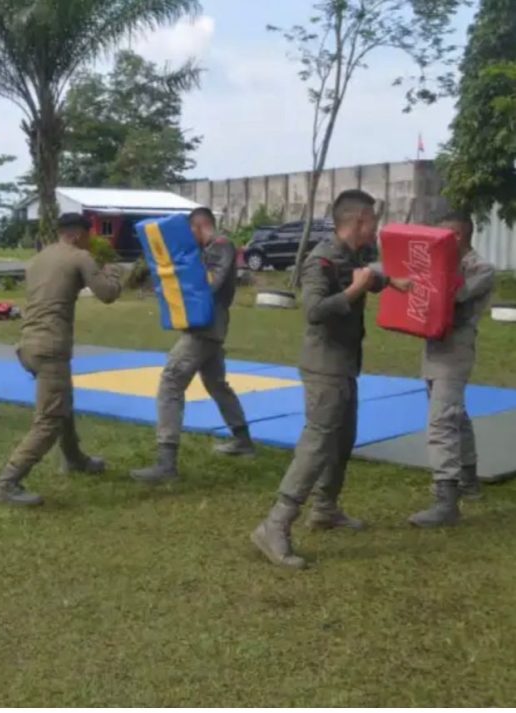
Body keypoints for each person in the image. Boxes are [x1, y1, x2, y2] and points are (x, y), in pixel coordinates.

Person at [251, 189, 410, 569]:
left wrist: (390, 283)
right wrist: (355, 290)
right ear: (358, 222)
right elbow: (315, 310)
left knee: (342, 440)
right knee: (318, 444)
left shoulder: (351, 255)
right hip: (324, 366)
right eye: (372, 220)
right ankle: (274, 525)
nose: (376, 227)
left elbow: (366, 275)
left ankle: (324, 508)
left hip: (344, 363)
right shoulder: (320, 259)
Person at [0, 213, 123, 507]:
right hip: (51, 347)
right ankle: (6, 483)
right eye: (88, 235)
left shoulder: (38, 259)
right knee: (49, 420)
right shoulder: (80, 256)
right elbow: (107, 294)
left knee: (63, 402)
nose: (90, 241)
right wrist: (113, 273)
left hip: (27, 345)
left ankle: (74, 458)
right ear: (77, 235)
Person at [130, 207, 254, 484]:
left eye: (190, 233)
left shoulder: (220, 245)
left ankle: (166, 462)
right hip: (209, 326)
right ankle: (242, 440)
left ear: (199, 227)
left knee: (171, 381)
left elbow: (209, 285)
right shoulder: (213, 248)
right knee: (216, 384)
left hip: (205, 329)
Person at [408, 212, 496, 527]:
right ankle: (469, 479)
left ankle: (446, 500)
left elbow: (452, 296)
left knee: (441, 422)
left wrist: (425, 278)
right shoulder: (441, 265)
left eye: (442, 237)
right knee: (455, 415)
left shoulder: (481, 269)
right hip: (434, 348)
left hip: (455, 352)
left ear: (457, 237)